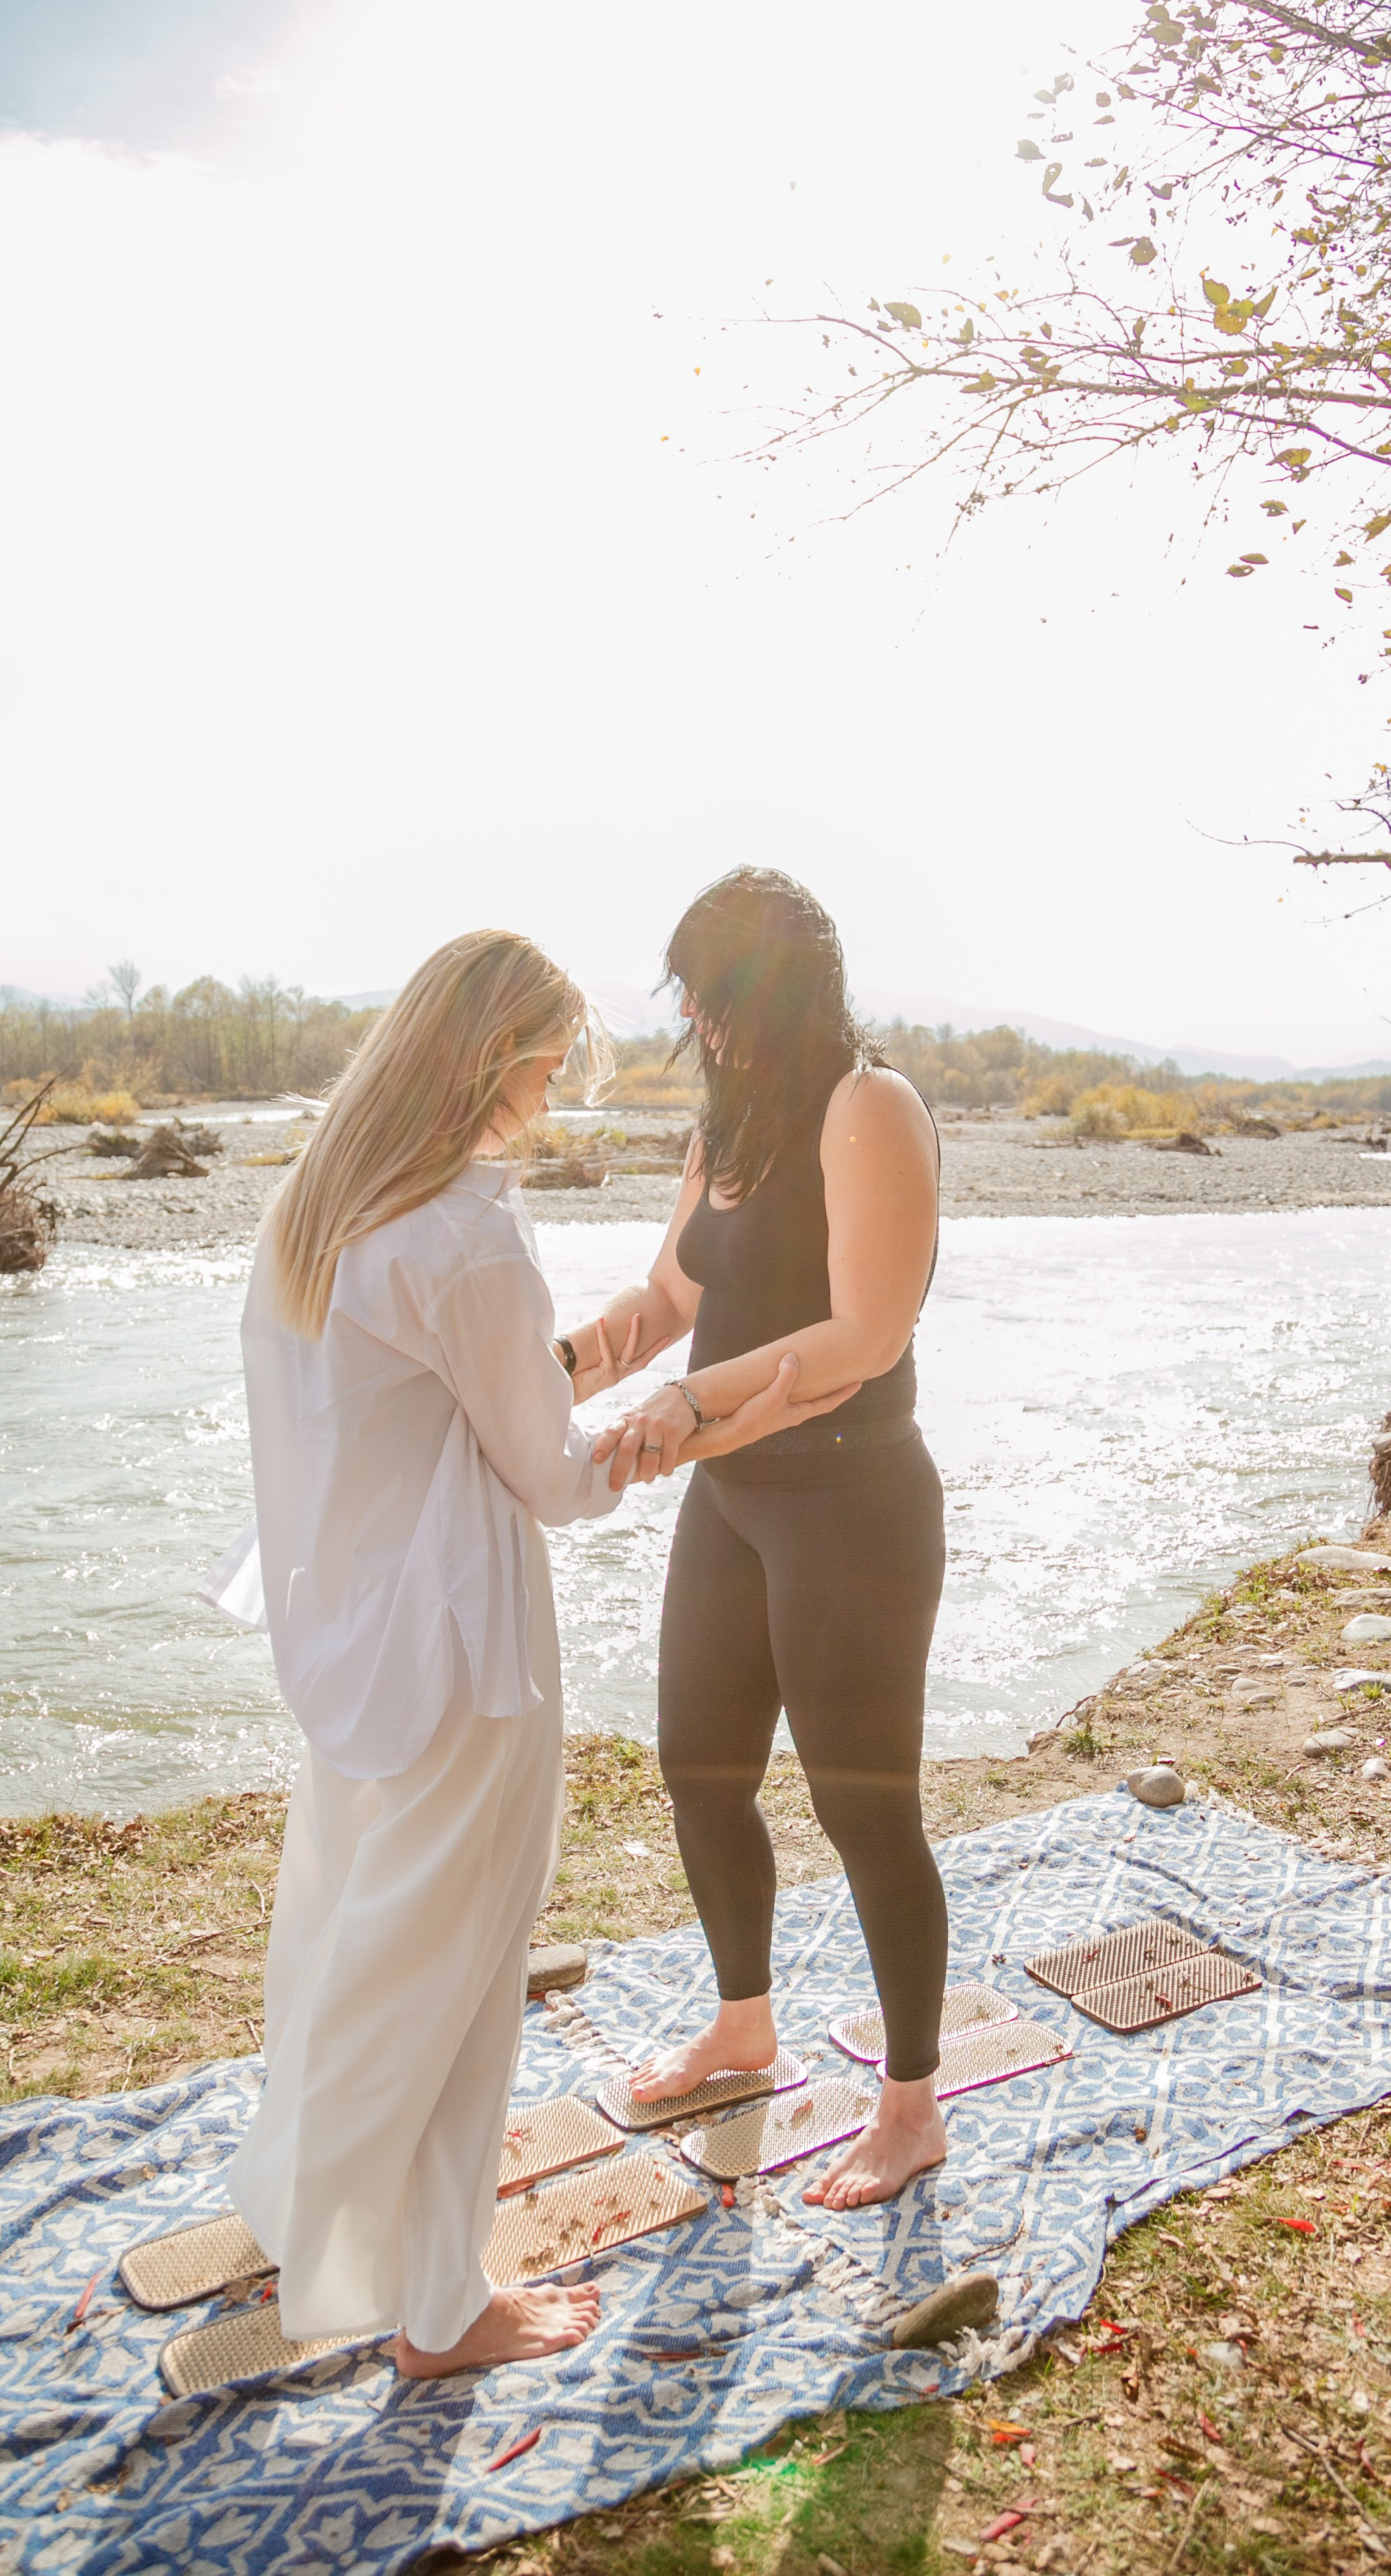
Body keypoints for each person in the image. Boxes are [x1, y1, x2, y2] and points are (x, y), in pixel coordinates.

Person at [216, 928, 850, 2378]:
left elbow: (407, 1415)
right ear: (490, 1060)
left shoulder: (322, 1205)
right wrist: (657, 1431)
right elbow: (551, 1478)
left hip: (344, 1635)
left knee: (344, 1927)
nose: (556, 1093)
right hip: (459, 1651)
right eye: (549, 1063)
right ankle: (437, 2305)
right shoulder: (461, 1231)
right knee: (452, 1969)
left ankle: (297, 2202)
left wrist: (564, 1383)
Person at [562, 868, 948, 2210]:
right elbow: (670, 1295)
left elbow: (866, 1333)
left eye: (711, 991)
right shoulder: (728, 1128)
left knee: (863, 1806)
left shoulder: (868, 1108)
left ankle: (911, 2107)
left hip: (853, 1506)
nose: (693, 1018)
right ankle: (744, 2031)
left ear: (771, 990)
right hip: (734, 1502)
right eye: (685, 995)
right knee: (701, 1772)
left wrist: (682, 1404)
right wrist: (543, 1373)